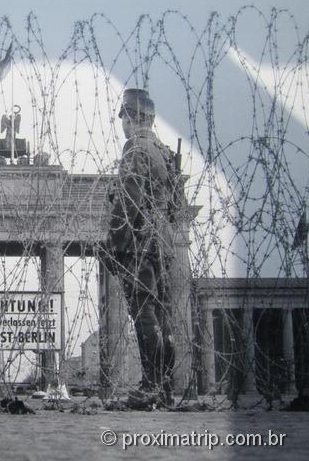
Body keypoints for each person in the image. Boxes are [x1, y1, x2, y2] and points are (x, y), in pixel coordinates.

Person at [105, 88, 180, 406]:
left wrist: (113, 242)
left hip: (140, 240)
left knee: (143, 312)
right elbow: (176, 205)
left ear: (130, 117)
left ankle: (150, 385)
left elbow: (129, 199)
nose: (122, 125)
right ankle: (163, 387)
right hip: (163, 241)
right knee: (161, 316)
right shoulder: (163, 152)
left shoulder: (135, 146)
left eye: (123, 118)